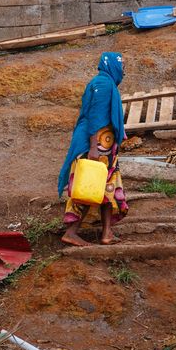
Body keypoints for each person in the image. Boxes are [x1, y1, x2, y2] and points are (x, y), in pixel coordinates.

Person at [57, 52, 129, 247]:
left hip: (104, 146)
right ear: (112, 66)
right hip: (97, 147)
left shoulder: (105, 83)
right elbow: (96, 117)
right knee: (90, 186)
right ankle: (71, 233)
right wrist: (93, 148)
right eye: (122, 66)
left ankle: (107, 234)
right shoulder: (104, 85)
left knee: (108, 188)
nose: (124, 70)